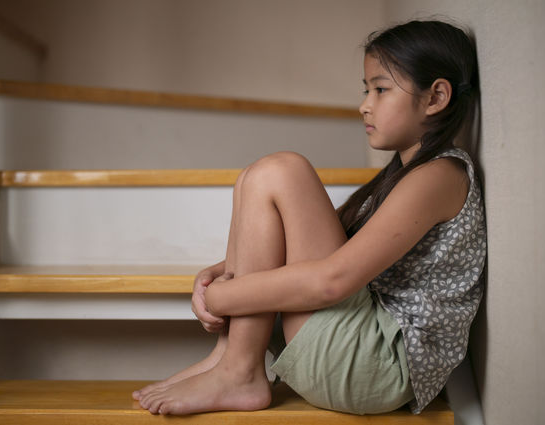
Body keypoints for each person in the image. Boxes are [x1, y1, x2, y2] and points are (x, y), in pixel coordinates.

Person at [133, 19, 486, 416]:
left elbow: (332, 281)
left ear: (436, 96)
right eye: (365, 90)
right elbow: (296, 242)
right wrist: (220, 272)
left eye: (381, 89)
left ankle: (240, 370)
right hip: (354, 350)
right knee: (255, 177)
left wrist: (223, 296)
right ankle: (228, 358)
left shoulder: (441, 175)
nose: (364, 104)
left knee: (281, 170)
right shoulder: (402, 177)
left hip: (379, 365)